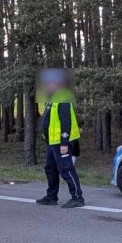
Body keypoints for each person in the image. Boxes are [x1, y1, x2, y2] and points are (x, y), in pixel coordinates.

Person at [35, 69, 85, 209]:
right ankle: (51, 197)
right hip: (52, 141)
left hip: (61, 142)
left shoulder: (63, 99)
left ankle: (77, 197)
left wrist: (64, 142)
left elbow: (66, 122)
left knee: (66, 168)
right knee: (50, 168)